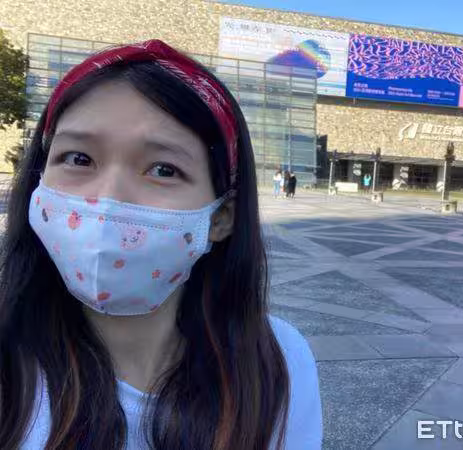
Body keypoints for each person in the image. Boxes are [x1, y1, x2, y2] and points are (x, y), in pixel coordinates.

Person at [0, 40, 322, 449]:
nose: (109, 197)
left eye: (163, 169)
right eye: (78, 159)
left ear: (221, 217)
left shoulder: (277, 361)